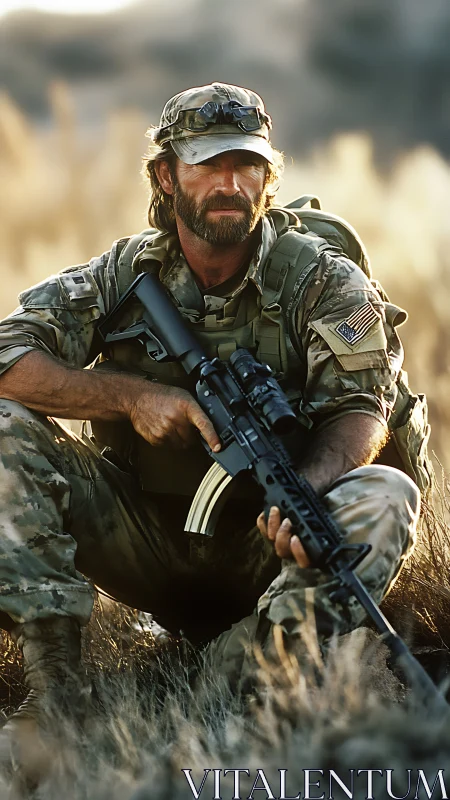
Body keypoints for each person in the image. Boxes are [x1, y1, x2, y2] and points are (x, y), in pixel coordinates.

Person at [0, 83, 421, 734]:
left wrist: (305, 489)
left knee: (385, 495)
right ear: (167, 176)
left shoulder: (321, 277)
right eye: (208, 164)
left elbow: (363, 406)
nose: (230, 183)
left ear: (267, 175)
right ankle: (59, 699)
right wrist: (133, 396)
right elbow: (8, 355)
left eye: (247, 164)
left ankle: (233, 674)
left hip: (269, 552)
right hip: (147, 541)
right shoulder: (123, 273)